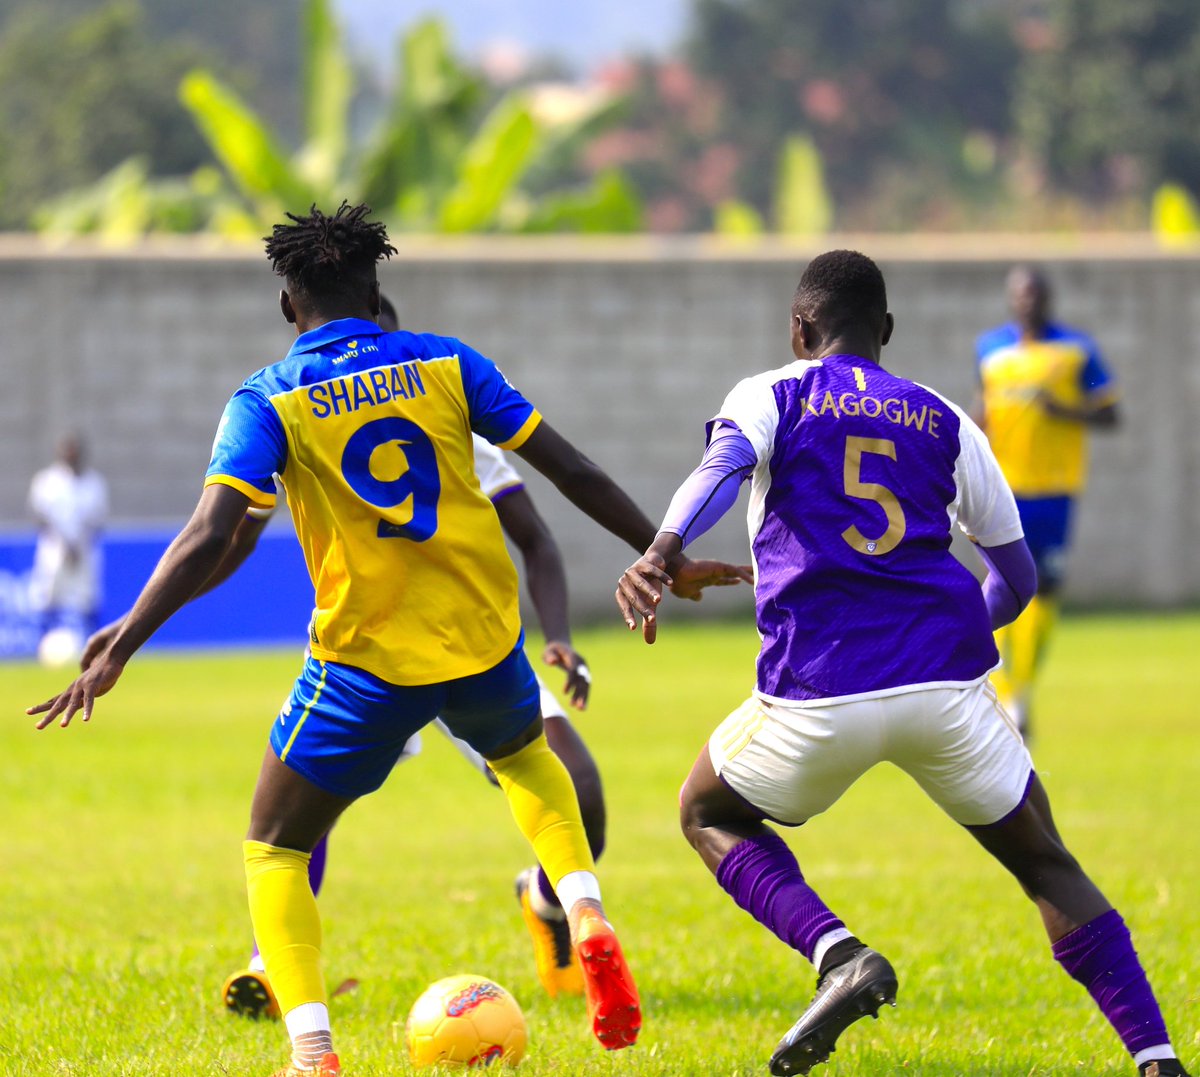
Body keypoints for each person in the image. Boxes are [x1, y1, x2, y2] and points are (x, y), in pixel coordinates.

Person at [31, 201, 747, 1077]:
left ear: (289, 305)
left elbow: (211, 533)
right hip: (483, 641)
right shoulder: (448, 362)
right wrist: (659, 555)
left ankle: (314, 1053)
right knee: (525, 760)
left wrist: (124, 640)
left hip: (366, 660)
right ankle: (586, 907)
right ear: (377, 290)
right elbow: (573, 471)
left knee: (275, 844)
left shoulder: (269, 397)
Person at [616, 250, 1188, 1077]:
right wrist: (944, 640)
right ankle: (1159, 1058)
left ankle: (839, 952)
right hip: (947, 692)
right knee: (1047, 863)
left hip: (818, 693)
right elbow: (1016, 578)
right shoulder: (950, 419)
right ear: (886, 332)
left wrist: (662, 549)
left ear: (798, 328)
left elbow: (723, 467)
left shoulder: (771, 391)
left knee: (707, 810)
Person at [974, 266, 1120, 735]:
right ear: (1011, 300)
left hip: (1055, 490)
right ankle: (1009, 691)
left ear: (1047, 298)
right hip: (1004, 488)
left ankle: (1022, 685)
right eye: (1020, 294)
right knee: (1004, 584)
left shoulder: (1076, 349)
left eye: (1035, 294)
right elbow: (986, 408)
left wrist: (1065, 411)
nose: (1027, 301)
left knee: (1047, 590)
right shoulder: (992, 350)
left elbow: (1110, 413)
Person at [28, 434, 108, 650]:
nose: (71, 455)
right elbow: (40, 516)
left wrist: (79, 543)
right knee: (48, 597)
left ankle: (95, 648)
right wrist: (64, 542)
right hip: (54, 549)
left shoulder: (94, 483)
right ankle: (41, 645)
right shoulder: (47, 481)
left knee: (88, 599)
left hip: (84, 550)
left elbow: (98, 520)